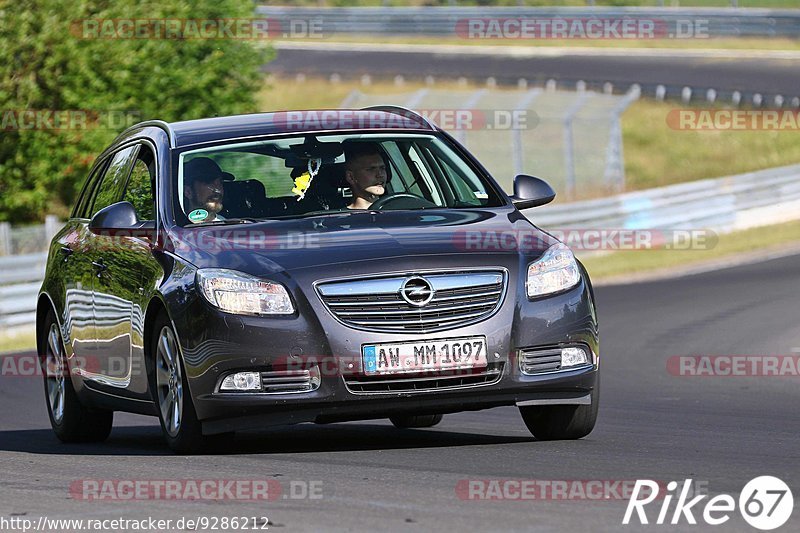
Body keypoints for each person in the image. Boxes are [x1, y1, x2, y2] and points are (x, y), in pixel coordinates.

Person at [344, 143, 388, 210]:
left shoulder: (398, 210)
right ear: (351, 177)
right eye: (371, 169)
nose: (380, 175)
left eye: (382, 168)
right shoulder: (341, 218)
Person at [183, 157, 225, 222]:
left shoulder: (229, 227)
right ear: (188, 192)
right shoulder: (177, 229)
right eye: (208, 182)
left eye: (220, 182)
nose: (218, 189)